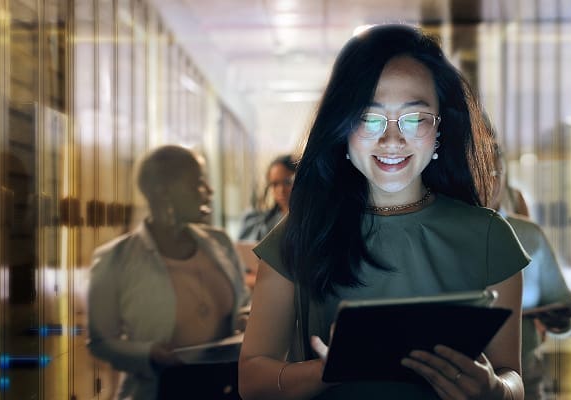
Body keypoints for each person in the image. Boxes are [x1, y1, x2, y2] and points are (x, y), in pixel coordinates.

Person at [238, 24, 529, 400]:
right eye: (369, 118)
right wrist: (324, 373)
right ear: (342, 127)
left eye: (414, 118)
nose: (392, 140)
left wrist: (494, 390)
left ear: (441, 127)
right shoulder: (302, 232)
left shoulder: (490, 237)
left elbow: (513, 378)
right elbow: (252, 379)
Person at [86, 145, 250, 400]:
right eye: (197, 183)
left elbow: (244, 304)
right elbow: (101, 342)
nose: (209, 191)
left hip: (226, 387)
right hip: (159, 391)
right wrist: (149, 353)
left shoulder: (221, 244)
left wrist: (244, 319)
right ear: (163, 193)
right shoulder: (115, 259)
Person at [489, 143, 571, 400]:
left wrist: (561, 315)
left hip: (525, 380)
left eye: (497, 173)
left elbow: (559, 300)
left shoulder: (528, 235)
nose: (490, 182)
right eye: (481, 172)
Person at [238, 154, 296, 242]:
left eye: (287, 182)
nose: (281, 190)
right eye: (275, 184)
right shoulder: (256, 223)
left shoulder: (309, 223)